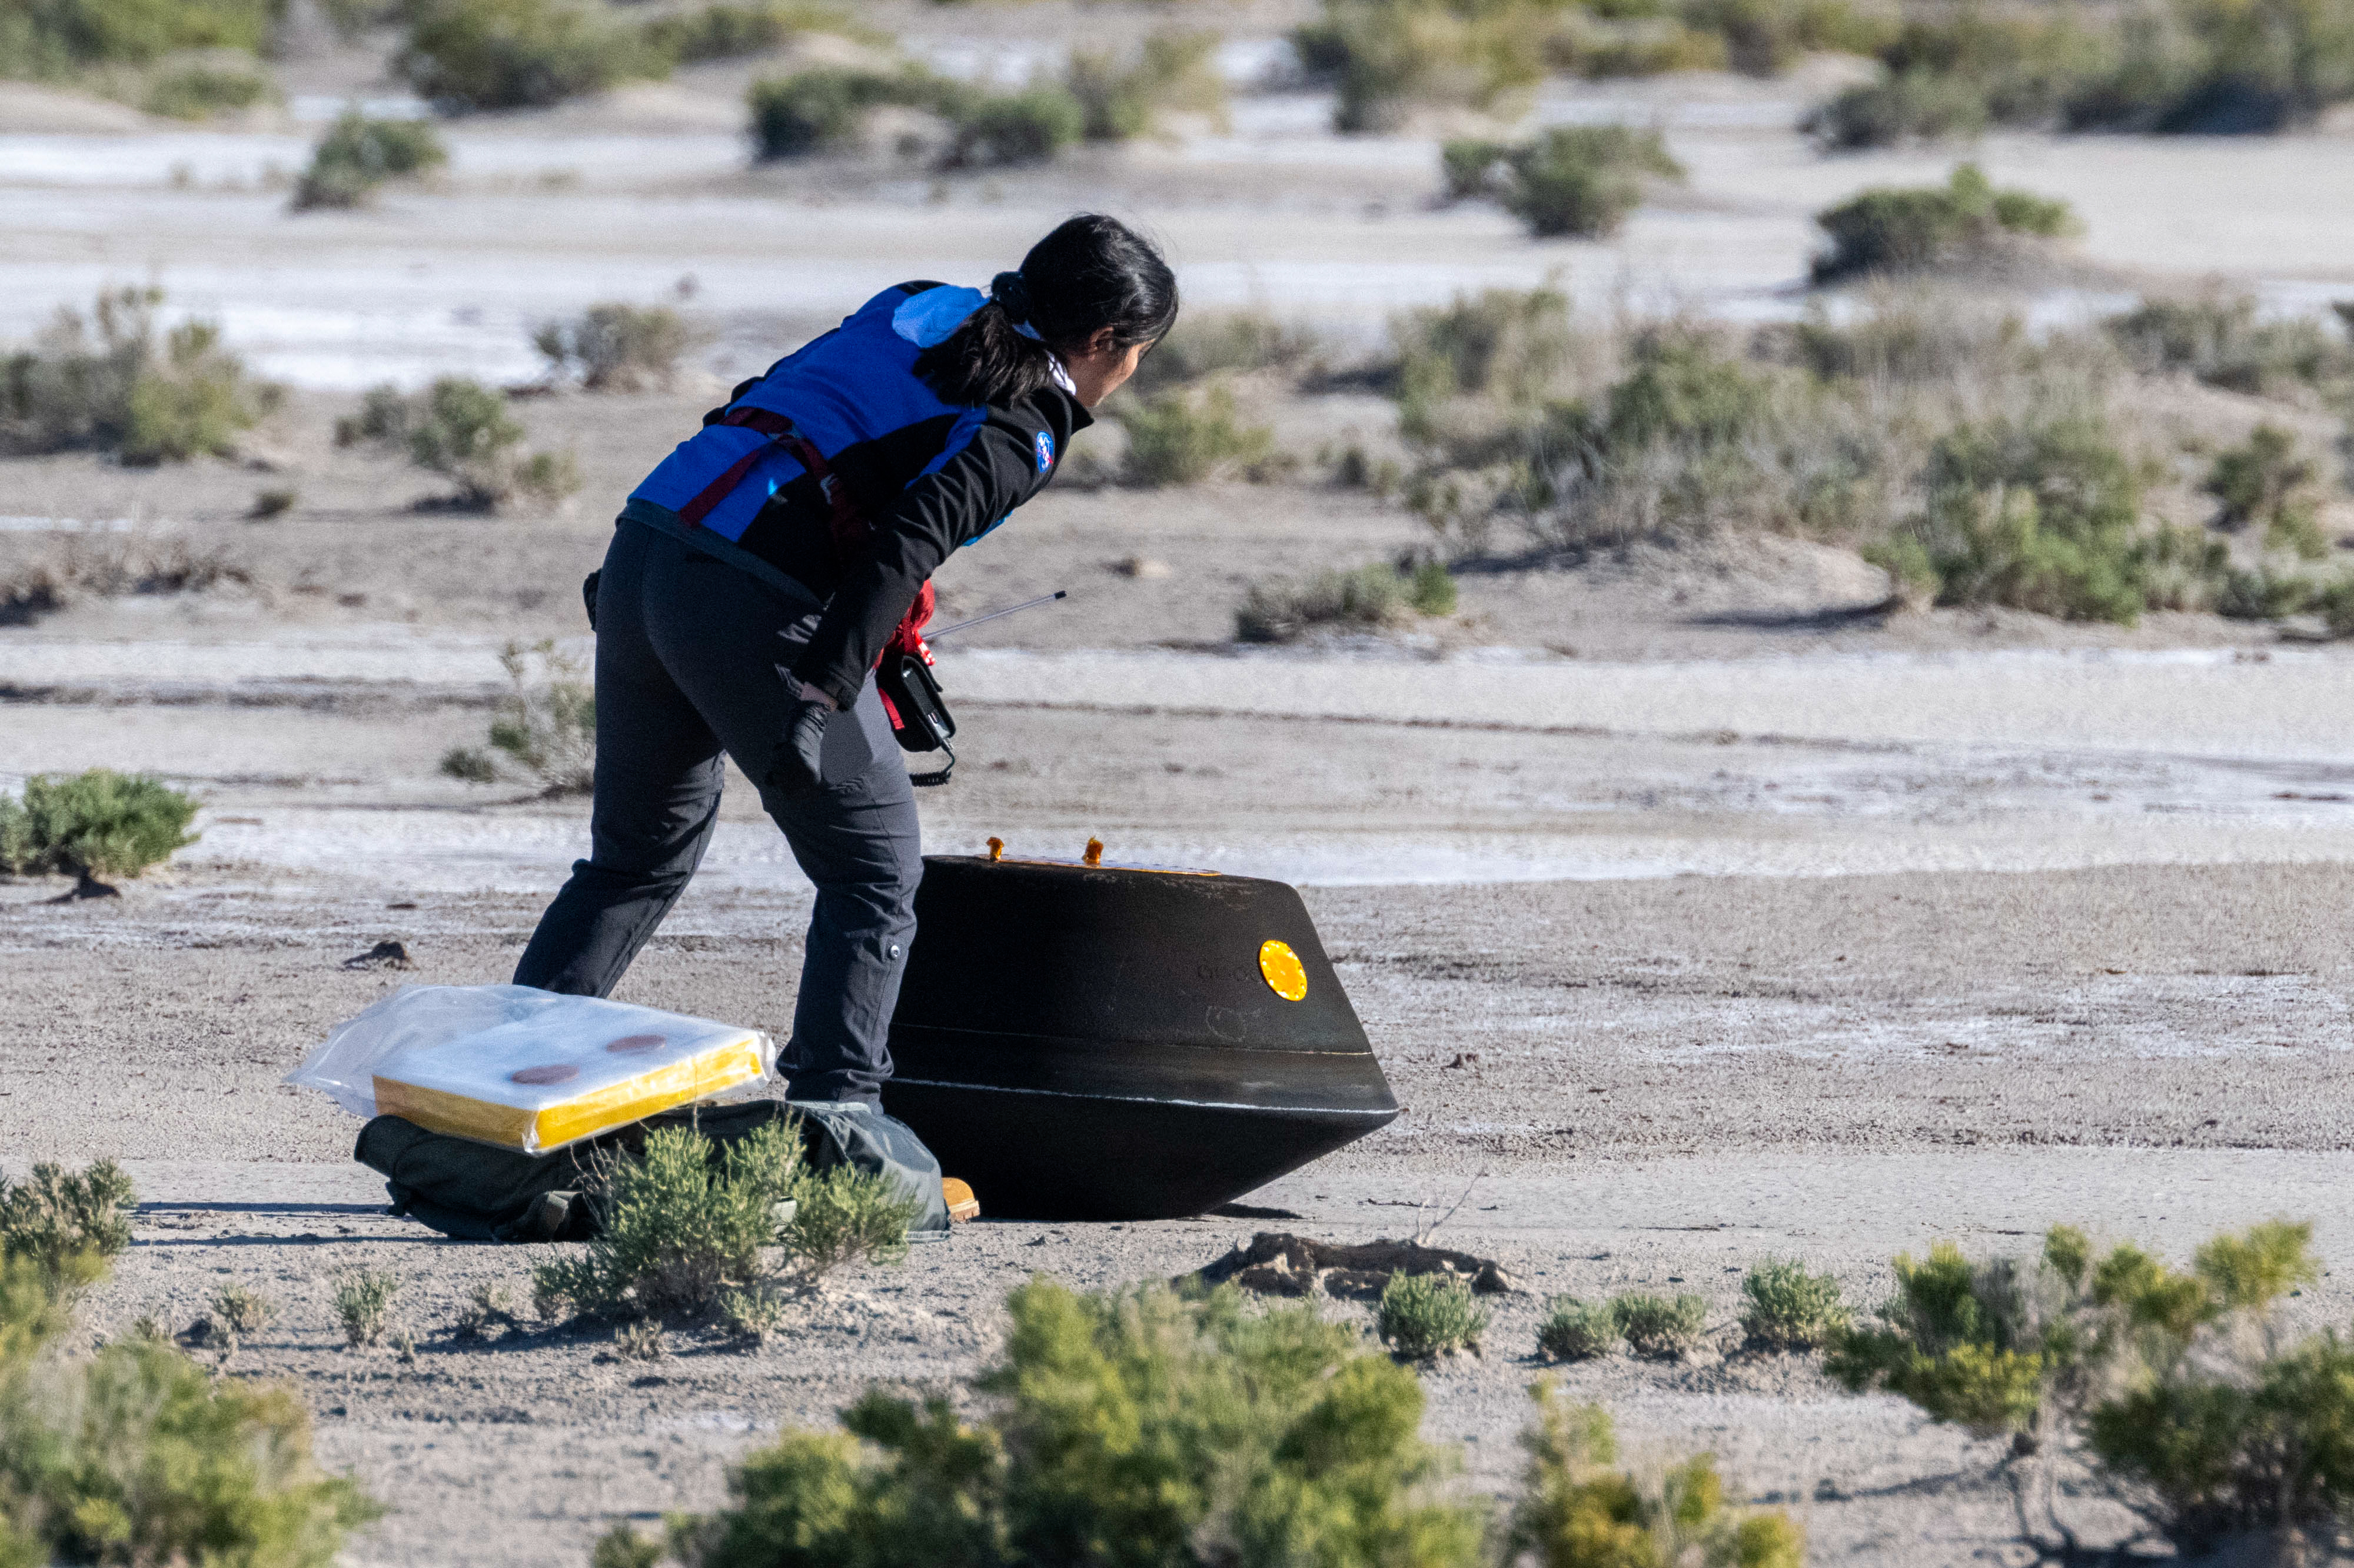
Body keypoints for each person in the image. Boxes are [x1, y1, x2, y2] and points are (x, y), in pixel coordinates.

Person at [511, 214, 1177, 1107]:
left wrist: (657, 575)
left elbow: (767, 398)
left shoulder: (917, 304)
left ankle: (490, 1096)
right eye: (1141, 353)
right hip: (747, 594)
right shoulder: (1029, 425)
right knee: (876, 871)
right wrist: (824, 691)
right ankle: (838, 1120)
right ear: (1106, 342)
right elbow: (909, 539)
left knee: (632, 863)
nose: (1134, 373)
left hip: (649, 542)